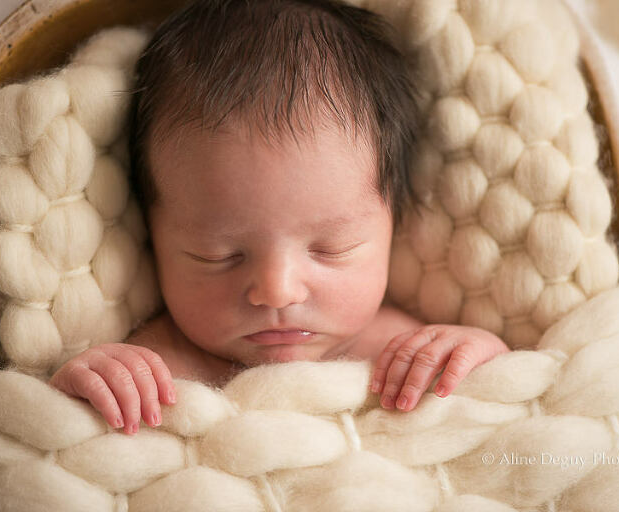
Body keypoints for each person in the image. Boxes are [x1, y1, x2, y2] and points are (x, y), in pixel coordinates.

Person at [49, 0, 509, 435]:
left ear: (394, 224)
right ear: (152, 237)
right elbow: (65, 444)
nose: (277, 290)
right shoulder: (156, 365)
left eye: (331, 249)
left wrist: (481, 354)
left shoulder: (403, 350)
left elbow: (504, 411)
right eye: (219, 255)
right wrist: (86, 382)